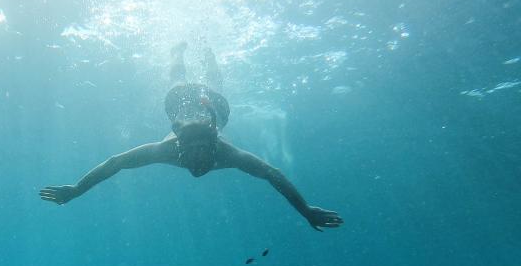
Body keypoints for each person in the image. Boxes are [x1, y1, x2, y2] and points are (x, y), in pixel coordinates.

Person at [40, 43, 342, 231]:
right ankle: (182, 53)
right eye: (198, 154)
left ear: (214, 144)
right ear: (179, 143)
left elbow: (116, 162)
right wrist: (76, 189)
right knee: (190, 83)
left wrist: (78, 189)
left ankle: (202, 57)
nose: (200, 163)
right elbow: (115, 162)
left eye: (203, 154)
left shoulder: (219, 152)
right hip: (210, 112)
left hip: (209, 112)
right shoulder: (176, 149)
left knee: (193, 84)